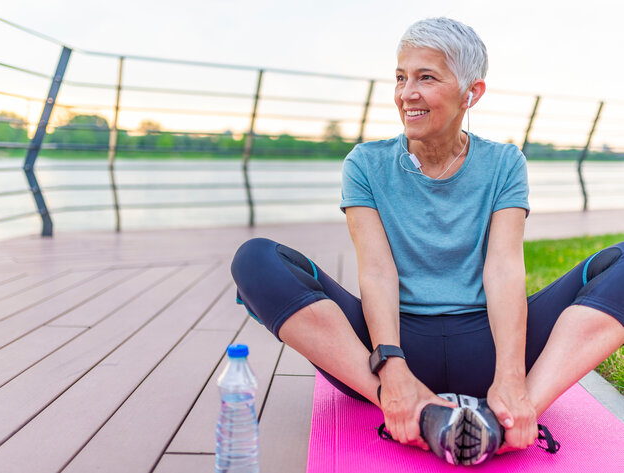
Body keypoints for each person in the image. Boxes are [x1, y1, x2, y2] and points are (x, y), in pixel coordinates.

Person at [231, 17, 624, 466]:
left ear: (471, 93)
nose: (406, 94)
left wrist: (512, 377)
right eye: (400, 77)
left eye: (426, 78)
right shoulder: (365, 163)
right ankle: (412, 406)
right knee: (255, 260)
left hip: (489, 343)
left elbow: (503, 269)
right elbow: (377, 270)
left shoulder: (504, 162)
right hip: (388, 348)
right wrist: (391, 369)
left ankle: (515, 413)